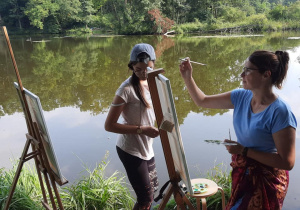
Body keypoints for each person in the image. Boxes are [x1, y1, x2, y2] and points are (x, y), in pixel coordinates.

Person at [179, 50, 297, 210]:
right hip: (245, 174)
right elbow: (202, 101)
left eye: (248, 70)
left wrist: (244, 150)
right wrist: (188, 77)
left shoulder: (280, 112)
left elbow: (287, 162)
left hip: (267, 181)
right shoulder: (241, 96)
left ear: (266, 74)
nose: (241, 74)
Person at [105, 43, 160, 210]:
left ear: (153, 64)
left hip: (146, 147)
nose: (144, 73)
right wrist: (142, 129)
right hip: (130, 150)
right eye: (138, 69)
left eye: (148, 69)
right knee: (145, 198)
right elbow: (109, 125)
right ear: (131, 67)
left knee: (153, 191)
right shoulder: (126, 89)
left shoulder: (154, 82)